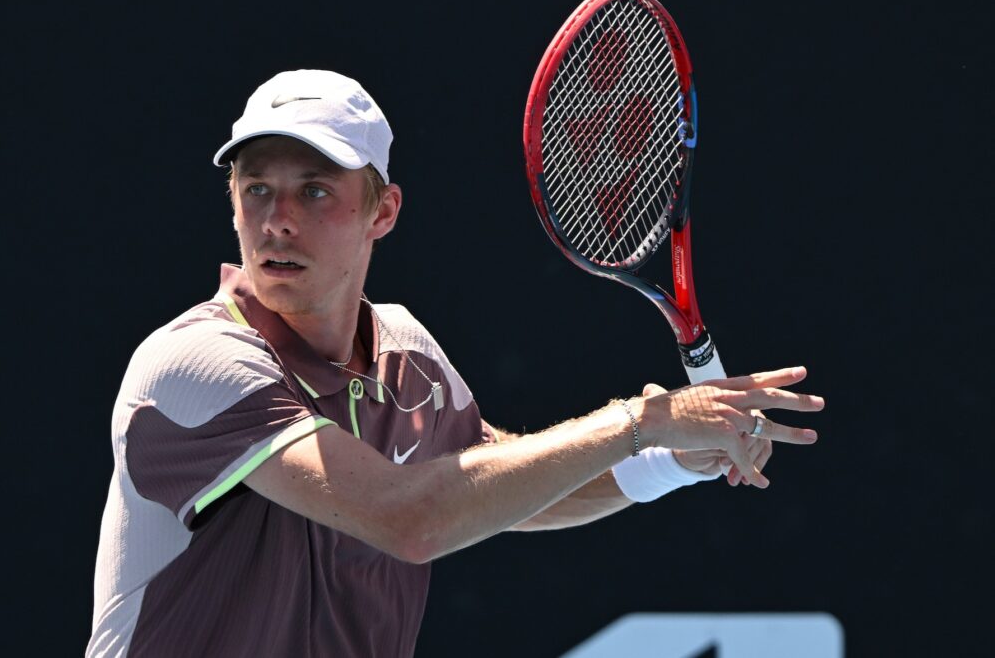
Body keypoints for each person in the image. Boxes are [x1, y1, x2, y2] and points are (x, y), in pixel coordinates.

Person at [86, 69, 823, 658]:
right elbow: (411, 517)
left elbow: (505, 482)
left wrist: (668, 457)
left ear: (384, 212)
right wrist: (638, 420)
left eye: (315, 191)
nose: (279, 218)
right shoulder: (196, 364)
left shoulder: (408, 358)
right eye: (257, 190)